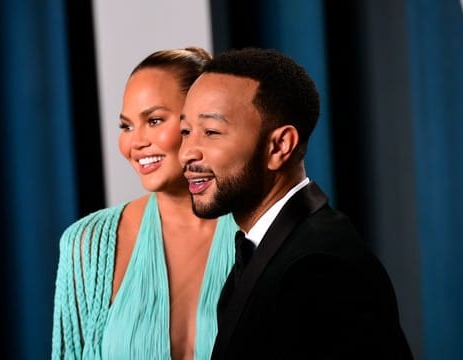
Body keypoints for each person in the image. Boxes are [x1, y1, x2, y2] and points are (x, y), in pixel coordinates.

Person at [179, 48, 413, 359]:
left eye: (211, 132)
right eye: (185, 131)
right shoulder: (270, 249)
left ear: (279, 146)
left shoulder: (320, 269)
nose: (187, 153)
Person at [51, 47, 237, 360]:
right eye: (126, 126)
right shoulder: (88, 243)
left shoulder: (261, 232)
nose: (135, 143)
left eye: (153, 120)